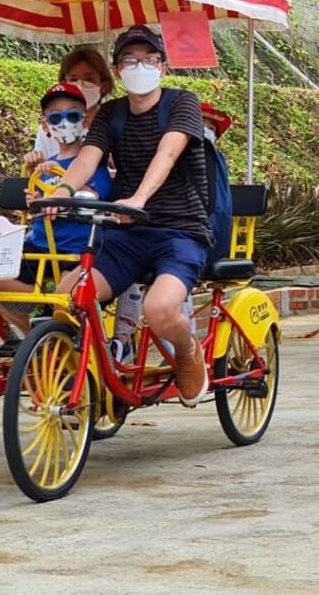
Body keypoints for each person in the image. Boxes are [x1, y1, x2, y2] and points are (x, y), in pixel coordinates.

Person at [50, 25, 213, 407]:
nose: (139, 66)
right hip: (128, 231)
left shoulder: (181, 102)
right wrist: (61, 192)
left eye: (149, 59)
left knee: (158, 310)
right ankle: (98, 367)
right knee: (66, 295)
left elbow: (168, 153)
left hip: (181, 233)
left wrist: (139, 196)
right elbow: (88, 158)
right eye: (129, 60)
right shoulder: (111, 114)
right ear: (118, 70)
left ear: (163, 66)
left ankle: (187, 350)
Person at [108, 101, 233, 362]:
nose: (203, 129)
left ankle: (182, 348)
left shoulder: (205, 156)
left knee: (167, 293)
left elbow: (215, 207)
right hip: (142, 234)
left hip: (192, 236)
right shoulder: (148, 154)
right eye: (201, 123)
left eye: (209, 126)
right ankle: (122, 340)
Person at [0, 83, 112, 335]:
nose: (65, 123)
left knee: (71, 287)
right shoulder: (46, 167)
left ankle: (52, 310)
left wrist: (61, 191)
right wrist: (37, 199)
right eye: (56, 117)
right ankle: (38, 320)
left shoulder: (92, 164)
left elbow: (91, 194)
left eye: (72, 115)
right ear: (46, 126)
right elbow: (40, 202)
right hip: (42, 245)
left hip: (76, 248)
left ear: (84, 120)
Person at [33, 48, 115, 160]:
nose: (80, 85)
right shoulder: (51, 128)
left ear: (104, 85)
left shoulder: (115, 124)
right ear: (63, 83)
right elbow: (38, 174)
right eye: (73, 79)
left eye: (89, 79)